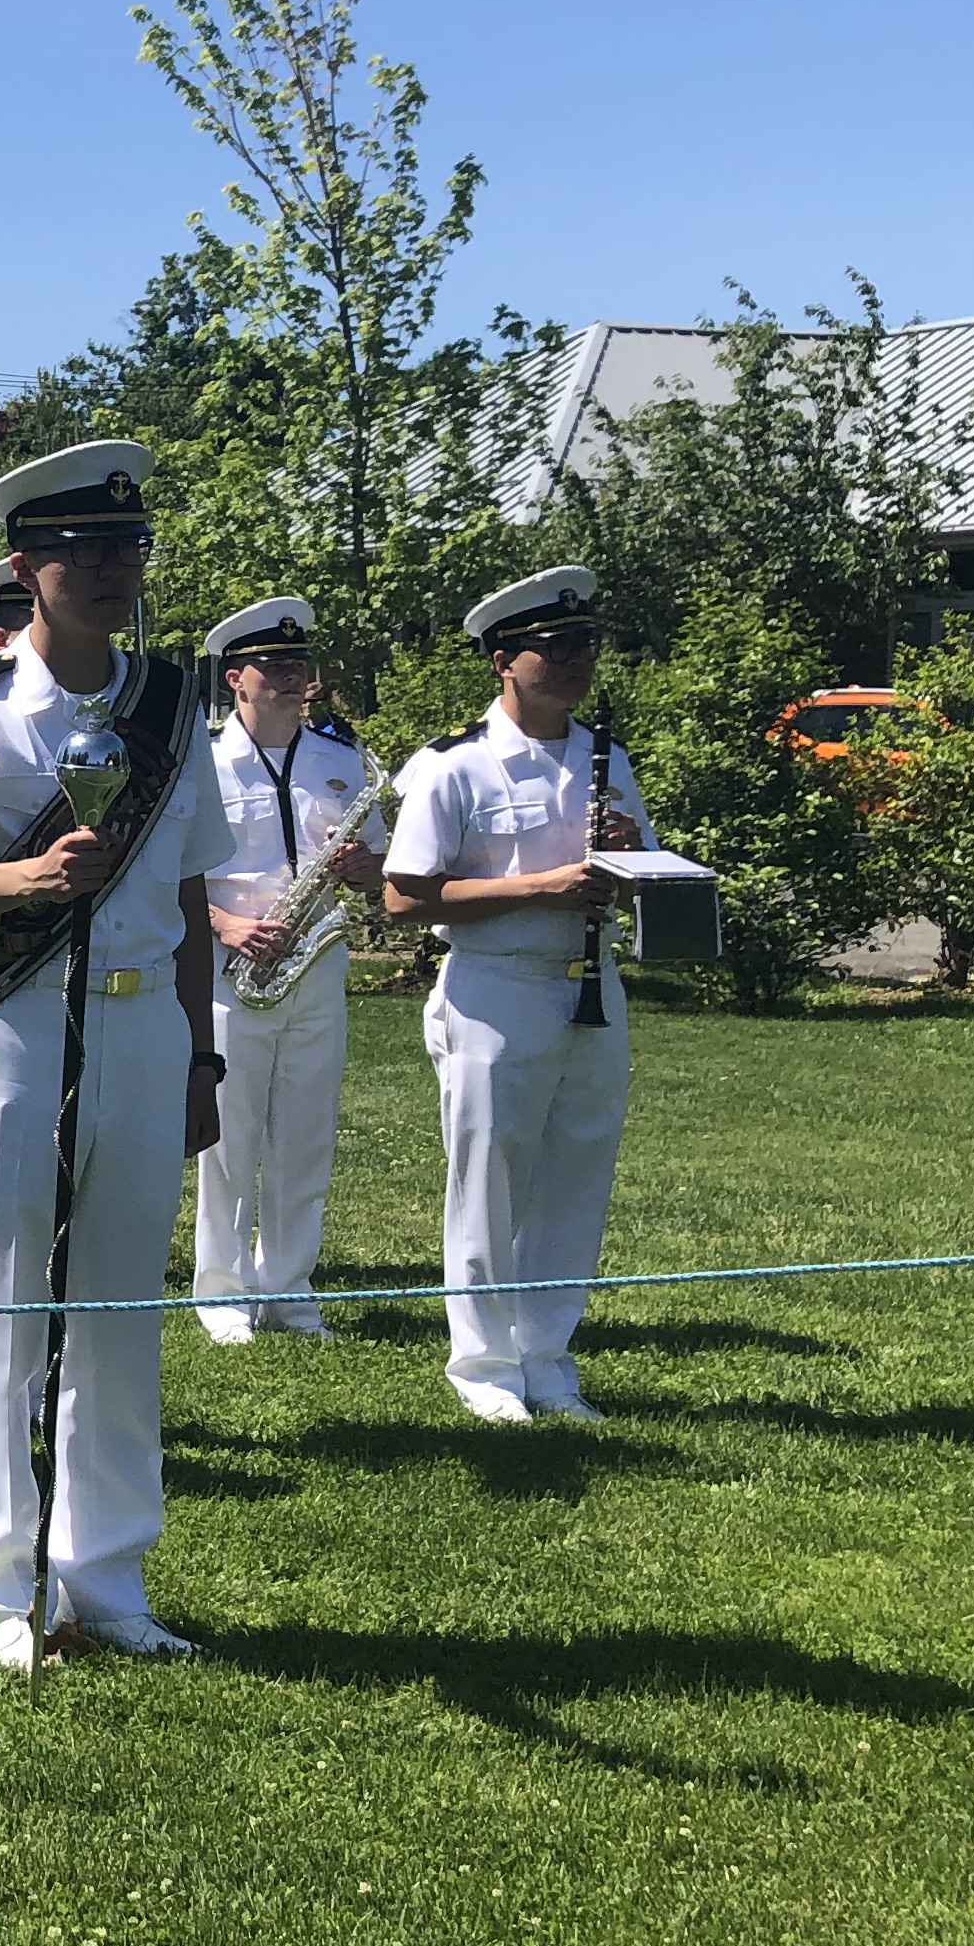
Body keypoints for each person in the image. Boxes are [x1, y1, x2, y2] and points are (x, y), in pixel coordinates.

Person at [0, 439, 224, 1670]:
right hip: (15, 1024)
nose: (107, 568)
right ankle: (4, 1583)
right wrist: (27, 876)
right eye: (79, 549)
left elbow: (187, 895)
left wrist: (201, 1064)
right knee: (5, 1301)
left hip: (146, 1025)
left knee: (122, 1308)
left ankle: (109, 1575)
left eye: (126, 546)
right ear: (25, 568)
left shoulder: (178, 709)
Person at [382, 563, 651, 1427]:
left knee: (576, 1176)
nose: (575, 664)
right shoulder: (455, 765)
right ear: (505, 659)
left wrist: (632, 851)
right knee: (491, 1179)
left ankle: (547, 1355)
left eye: (586, 647)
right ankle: (485, 1365)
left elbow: (642, 880)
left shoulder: (606, 757)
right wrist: (540, 889)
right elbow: (402, 896)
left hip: (591, 984)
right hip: (495, 989)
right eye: (554, 648)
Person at [191, 597, 383, 1343]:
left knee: (306, 1135)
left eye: (300, 665)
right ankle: (223, 1293)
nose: (293, 678)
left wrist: (368, 868)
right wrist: (225, 923)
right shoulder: (202, 762)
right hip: (228, 968)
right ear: (236, 676)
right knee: (229, 1137)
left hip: (317, 964)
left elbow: (377, 864)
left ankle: (291, 1288)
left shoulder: (342, 760)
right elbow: (169, 874)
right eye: (275, 666)